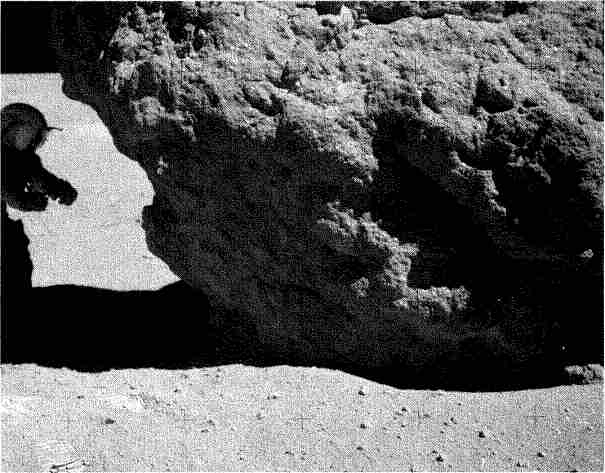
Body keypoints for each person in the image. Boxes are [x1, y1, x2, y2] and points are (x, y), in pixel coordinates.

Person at [1, 103, 78, 300]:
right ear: (13, 130)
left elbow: (40, 178)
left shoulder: (24, 158)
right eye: (32, 133)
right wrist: (26, 201)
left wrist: (60, 189)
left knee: (16, 254)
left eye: (39, 136)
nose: (36, 140)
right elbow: (7, 192)